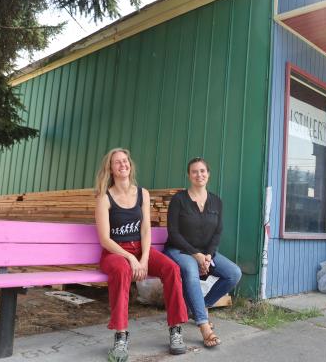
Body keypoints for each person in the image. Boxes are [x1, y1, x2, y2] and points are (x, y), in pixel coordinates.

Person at [95, 148, 188, 361]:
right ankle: (120, 336)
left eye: (125, 161)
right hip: (115, 252)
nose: (122, 165)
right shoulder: (104, 197)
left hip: (140, 249)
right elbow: (105, 240)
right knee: (121, 271)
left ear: (130, 164)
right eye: (117, 162)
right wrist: (130, 259)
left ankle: (175, 329)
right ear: (110, 168)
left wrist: (144, 258)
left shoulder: (142, 193)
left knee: (172, 268)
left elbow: (146, 229)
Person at [165, 157, 242, 348]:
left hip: (206, 253)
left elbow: (218, 232)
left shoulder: (216, 201)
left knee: (233, 273)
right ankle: (204, 326)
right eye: (194, 171)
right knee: (191, 271)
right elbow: (173, 232)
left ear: (208, 174)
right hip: (179, 250)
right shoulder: (179, 199)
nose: (199, 175)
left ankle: (200, 306)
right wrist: (196, 255)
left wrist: (208, 254)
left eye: (202, 171)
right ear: (189, 176)